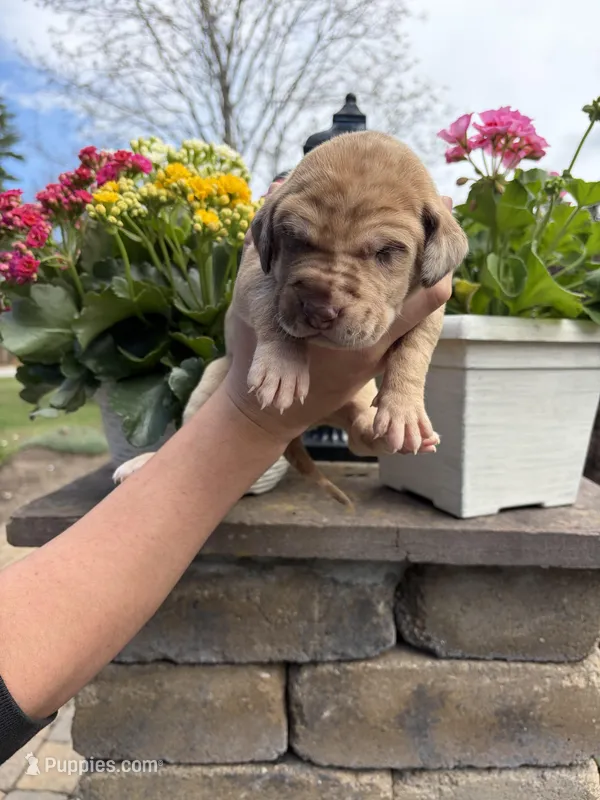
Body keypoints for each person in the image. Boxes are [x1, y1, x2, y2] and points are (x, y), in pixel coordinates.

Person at [0, 183, 454, 764]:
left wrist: (402, 392)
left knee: (371, 411)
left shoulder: (425, 236)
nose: (328, 288)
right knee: (217, 376)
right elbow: (254, 287)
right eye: (299, 239)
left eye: (384, 251)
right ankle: (169, 452)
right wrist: (273, 358)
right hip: (245, 377)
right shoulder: (267, 243)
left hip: (345, 383)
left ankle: (367, 428)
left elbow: (426, 317)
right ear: (269, 230)